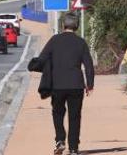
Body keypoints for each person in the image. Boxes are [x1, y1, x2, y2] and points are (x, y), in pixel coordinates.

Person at [38, 13, 95, 155]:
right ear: (76, 26)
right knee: (75, 116)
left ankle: (60, 140)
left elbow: (42, 59)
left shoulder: (54, 40)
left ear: (63, 25)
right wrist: (90, 84)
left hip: (57, 84)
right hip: (76, 84)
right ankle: (74, 148)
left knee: (57, 113)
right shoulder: (81, 42)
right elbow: (89, 65)